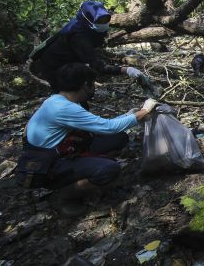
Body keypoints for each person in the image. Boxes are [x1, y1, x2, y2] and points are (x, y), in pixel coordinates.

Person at [16, 63, 158, 216]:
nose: (94, 89)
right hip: (49, 165)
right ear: (85, 85)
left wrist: (128, 116)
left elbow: (100, 126)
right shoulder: (64, 108)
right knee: (109, 170)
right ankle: (65, 194)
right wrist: (144, 111)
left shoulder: (57, 100)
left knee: (118, 138)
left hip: (60, 150)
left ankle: (86, 168)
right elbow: (109, 127)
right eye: (93, 84)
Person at [33, 0, 145, 92]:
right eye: (99, 20)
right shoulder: (78, 35)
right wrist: (127, 70)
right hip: (55, 67)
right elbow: (97, 64)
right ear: (88, 19)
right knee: (72, 92)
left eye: (106, 19)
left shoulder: (83, 25)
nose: (104, 24)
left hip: (70, 61)